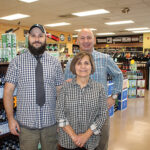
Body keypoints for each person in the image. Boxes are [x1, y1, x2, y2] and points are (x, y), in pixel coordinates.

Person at [3, 24, 64, 150]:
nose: (37, 39)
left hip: (51, 125)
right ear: (28, 38)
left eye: (40, 36)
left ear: (45, 39)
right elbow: (8, 92)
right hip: (26, 127)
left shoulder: (55, 63)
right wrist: (10, 119)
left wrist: (62, 119)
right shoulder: (16, 62)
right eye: (33, 36)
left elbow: (61, 92)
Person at [64, 28, 123, 150]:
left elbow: (118, 75)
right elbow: (66, 88)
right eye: (82, 38)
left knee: (101, 145)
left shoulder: (105, 59)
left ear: (94, 40)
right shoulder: (71, 62)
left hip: (100, 113)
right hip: (77, 115)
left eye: (89, 37)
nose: (86, 41)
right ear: (77, 41)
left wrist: (113, 97)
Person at [56, 51, 108, 150]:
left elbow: (102, 115)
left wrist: (85, 136)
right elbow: (59, 113)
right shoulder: (65, 87)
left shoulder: (99, 88)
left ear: (91, 66)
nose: (82, 67)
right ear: (74, 67)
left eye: (86, 63)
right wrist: (74, 137)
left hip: (90, 141)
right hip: (67, 141)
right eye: (79, 63)